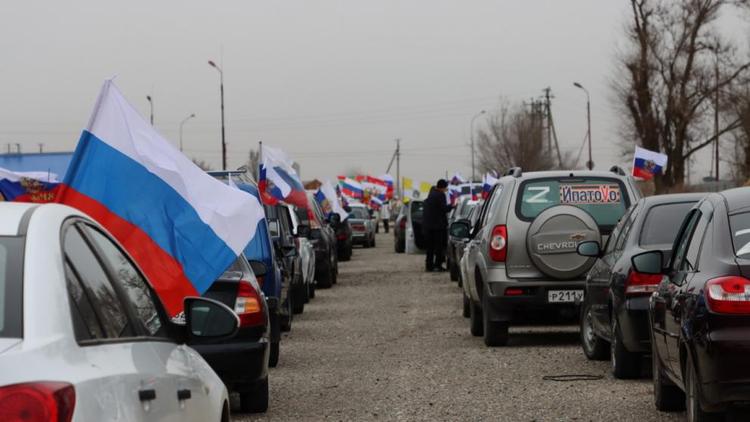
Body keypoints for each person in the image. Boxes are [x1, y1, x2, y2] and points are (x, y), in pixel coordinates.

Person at [422, 179, 452, 272]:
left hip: (429, 226)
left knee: (430, 247)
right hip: (438, 227)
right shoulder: (440, 195)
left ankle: (429, 265)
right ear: (442, 187)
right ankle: (438, 265)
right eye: (445, 188)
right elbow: (443, 209)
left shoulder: (431, 194)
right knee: (439, 247)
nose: (446, 190)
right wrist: (452, 206)